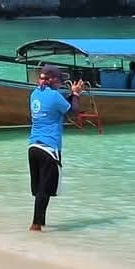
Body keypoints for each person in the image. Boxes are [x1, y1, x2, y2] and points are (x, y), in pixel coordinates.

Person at [27, 65, 84, 231]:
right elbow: (73, 111)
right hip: (49, 148)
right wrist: (76, 94)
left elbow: (57, 105)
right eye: (60, 81)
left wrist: (71, 94)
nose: (61, 84)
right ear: (53, 80)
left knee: (39, 190)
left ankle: (41, 222)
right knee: (45, 189)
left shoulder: (35, 94)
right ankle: (35, 225)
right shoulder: (54, 95)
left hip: (33, 147)